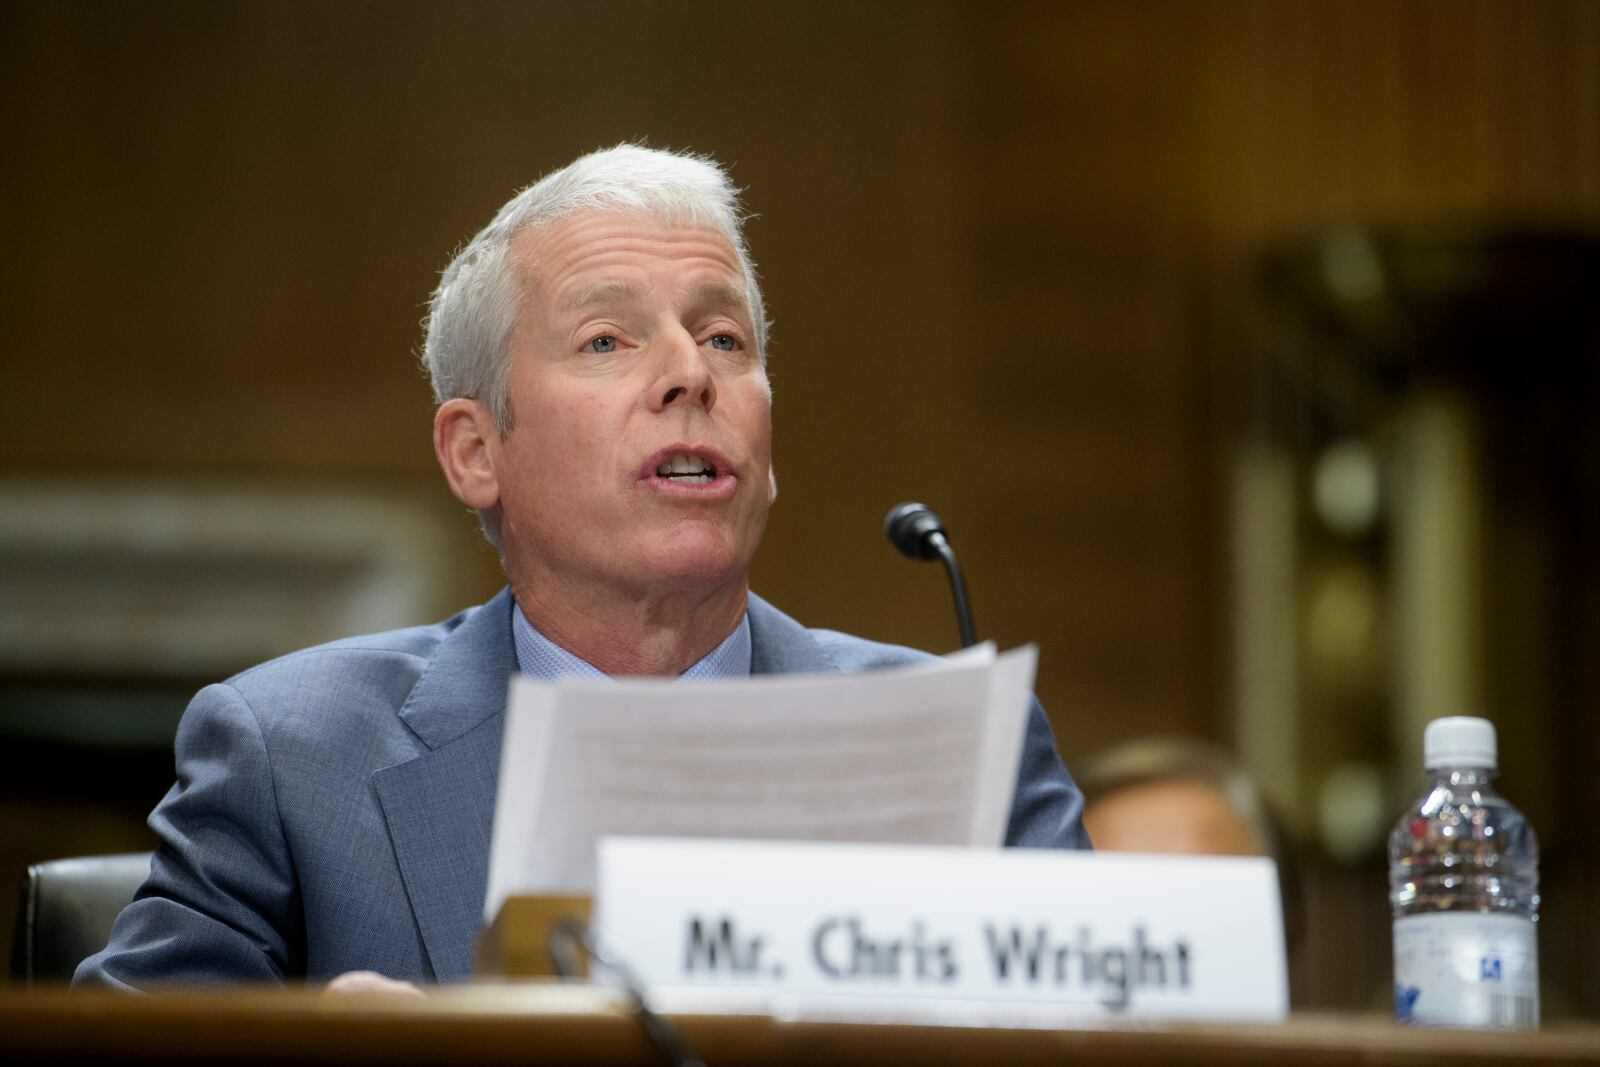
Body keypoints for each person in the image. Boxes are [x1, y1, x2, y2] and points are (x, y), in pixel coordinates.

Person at [75, 145, 1090, 990]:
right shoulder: (293, 759)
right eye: (607, 338)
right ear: (476, 452)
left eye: (724, 336)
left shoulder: (964, 750)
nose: (690, 372)